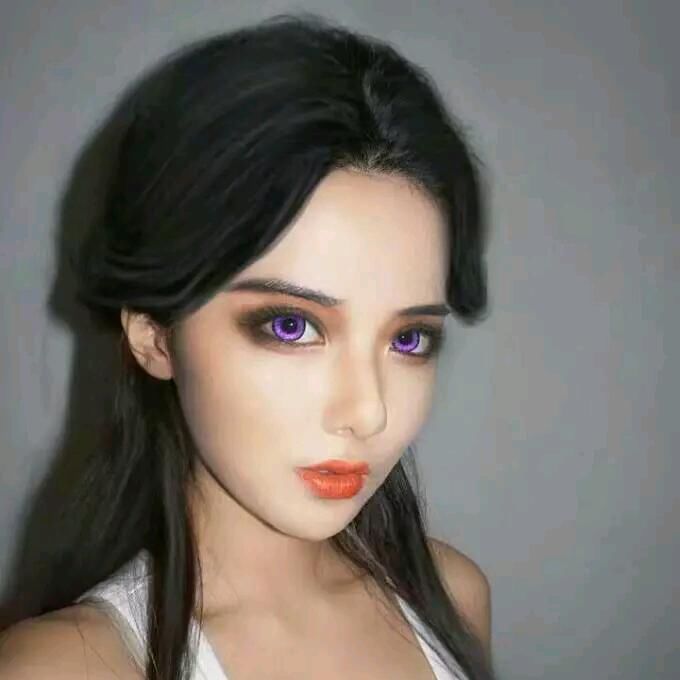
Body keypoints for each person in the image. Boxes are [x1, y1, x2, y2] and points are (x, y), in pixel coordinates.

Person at [0, 12, 495, 680]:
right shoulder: (66, 668)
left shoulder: (454, 597)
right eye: (292, 326)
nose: (368, 412)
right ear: (153, 333)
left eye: (409, 339)